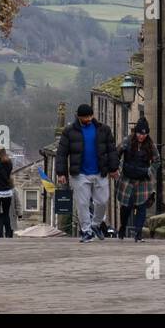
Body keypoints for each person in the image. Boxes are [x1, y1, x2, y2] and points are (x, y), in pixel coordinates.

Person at [55, 103, 119, 242]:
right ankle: (86, 231)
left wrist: (113, 169)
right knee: (82, 203)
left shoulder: (104, 130)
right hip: (79, 174)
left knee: (102, 201)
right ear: (79, 117)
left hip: (100, 172)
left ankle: (96, 224)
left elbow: (112, 150)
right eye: (85, 117)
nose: (89, 119)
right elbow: (61, 153)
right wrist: (61, 173)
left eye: (90, 116)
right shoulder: (69, 131)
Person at [116, 118, 158, 241]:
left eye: (144, 134)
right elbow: (116, 154)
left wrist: (150, 171)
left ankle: (138, 234)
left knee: (141, 206)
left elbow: (157, 161)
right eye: (140, 133)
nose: (141, 136)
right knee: (126, 207)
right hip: (127, 178)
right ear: (136, 132)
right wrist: (117, 168)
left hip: (143, 179)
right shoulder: (127, 141)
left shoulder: (150, 144)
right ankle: (123, 227)